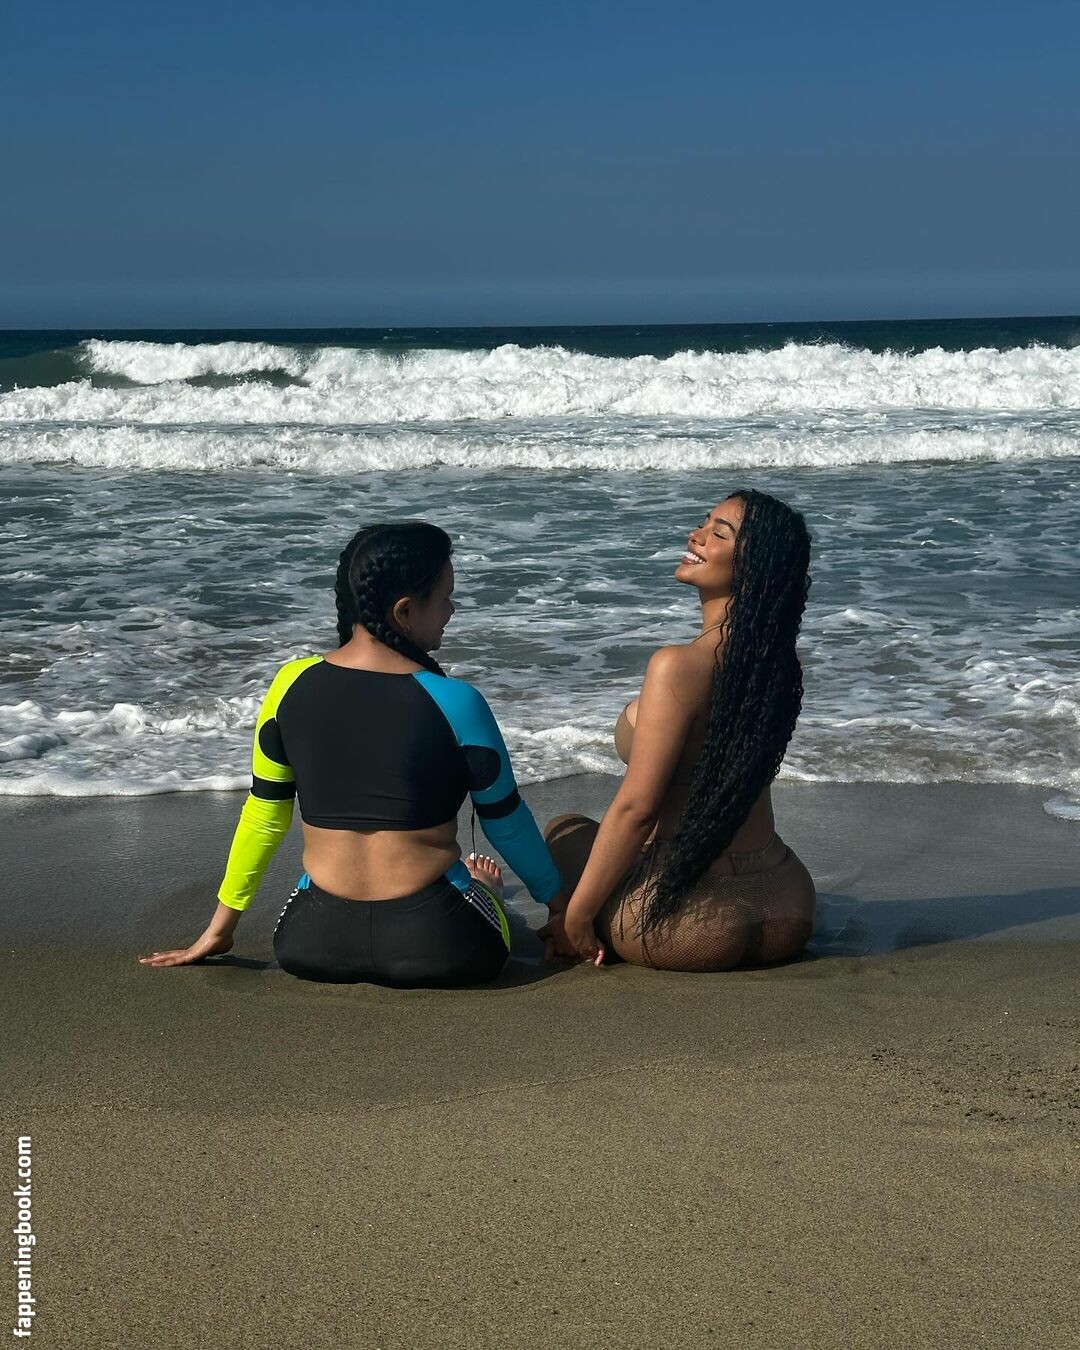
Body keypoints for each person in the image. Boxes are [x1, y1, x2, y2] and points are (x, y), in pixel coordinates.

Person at [139, 522, 565, 986]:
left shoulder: (288, 685)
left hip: (311, 944)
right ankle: (486, 891)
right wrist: (562, 911)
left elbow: (264, 816)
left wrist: (220, 930)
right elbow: (506, 822)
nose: (451, 610)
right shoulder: (458, 701)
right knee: (485, 889)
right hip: (444, 946)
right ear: (405, 610)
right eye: (446, 597)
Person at [541, 489, 815, 971]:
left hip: (691, 922)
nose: (696, 536)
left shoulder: (679, 666)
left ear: (753, 566)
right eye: (703, 522)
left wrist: (577, 918)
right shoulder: (776, 666)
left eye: (718, 533)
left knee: (563, 830)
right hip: (786, 903)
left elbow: (637, 810)